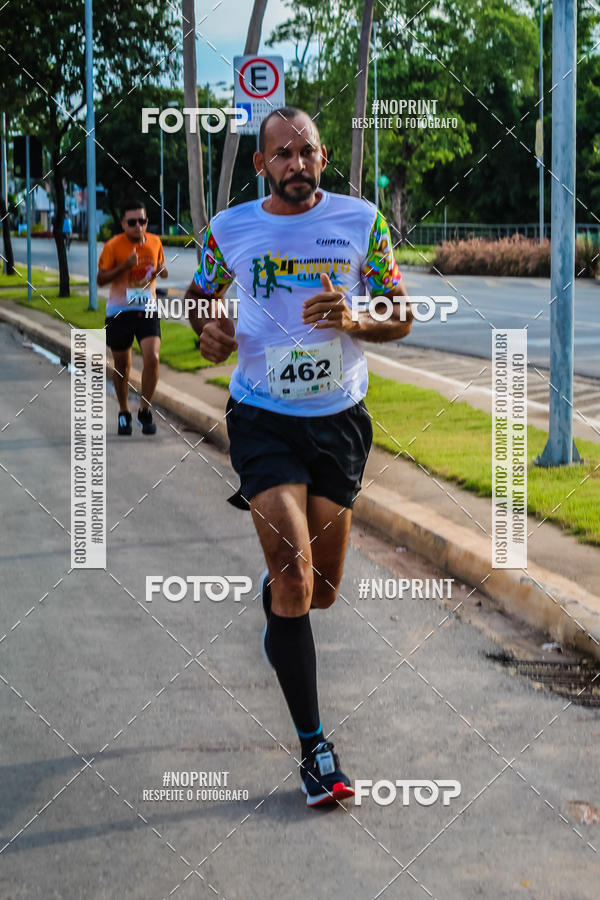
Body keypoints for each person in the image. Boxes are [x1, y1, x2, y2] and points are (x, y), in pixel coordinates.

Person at [186, 107, 413, 807]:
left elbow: (401, 312)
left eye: (306, 151)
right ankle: (317, 751)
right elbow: (198, 300)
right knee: (294, 577)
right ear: (261, 166)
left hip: (338, 422)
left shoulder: (362, 222)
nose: (296, 163)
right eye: (281, 154)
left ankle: (279, 605)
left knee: (322, 591)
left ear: (322, 157)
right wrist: (208, 331)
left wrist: (356, 316)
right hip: (262, 419)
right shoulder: (228, 230)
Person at [97, 198, 168, 435]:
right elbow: (100, 279)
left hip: (147, 308)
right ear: (123, 224)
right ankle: (124, 412)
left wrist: (162, 271)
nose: (138, 226)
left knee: (153, 357)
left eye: (142, 221)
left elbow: (159, 267)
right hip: (119, 311)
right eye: (132, 222)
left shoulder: (155, 242)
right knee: (122, 366)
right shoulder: (113, 246)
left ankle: (144, 410)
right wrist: (125, 266)